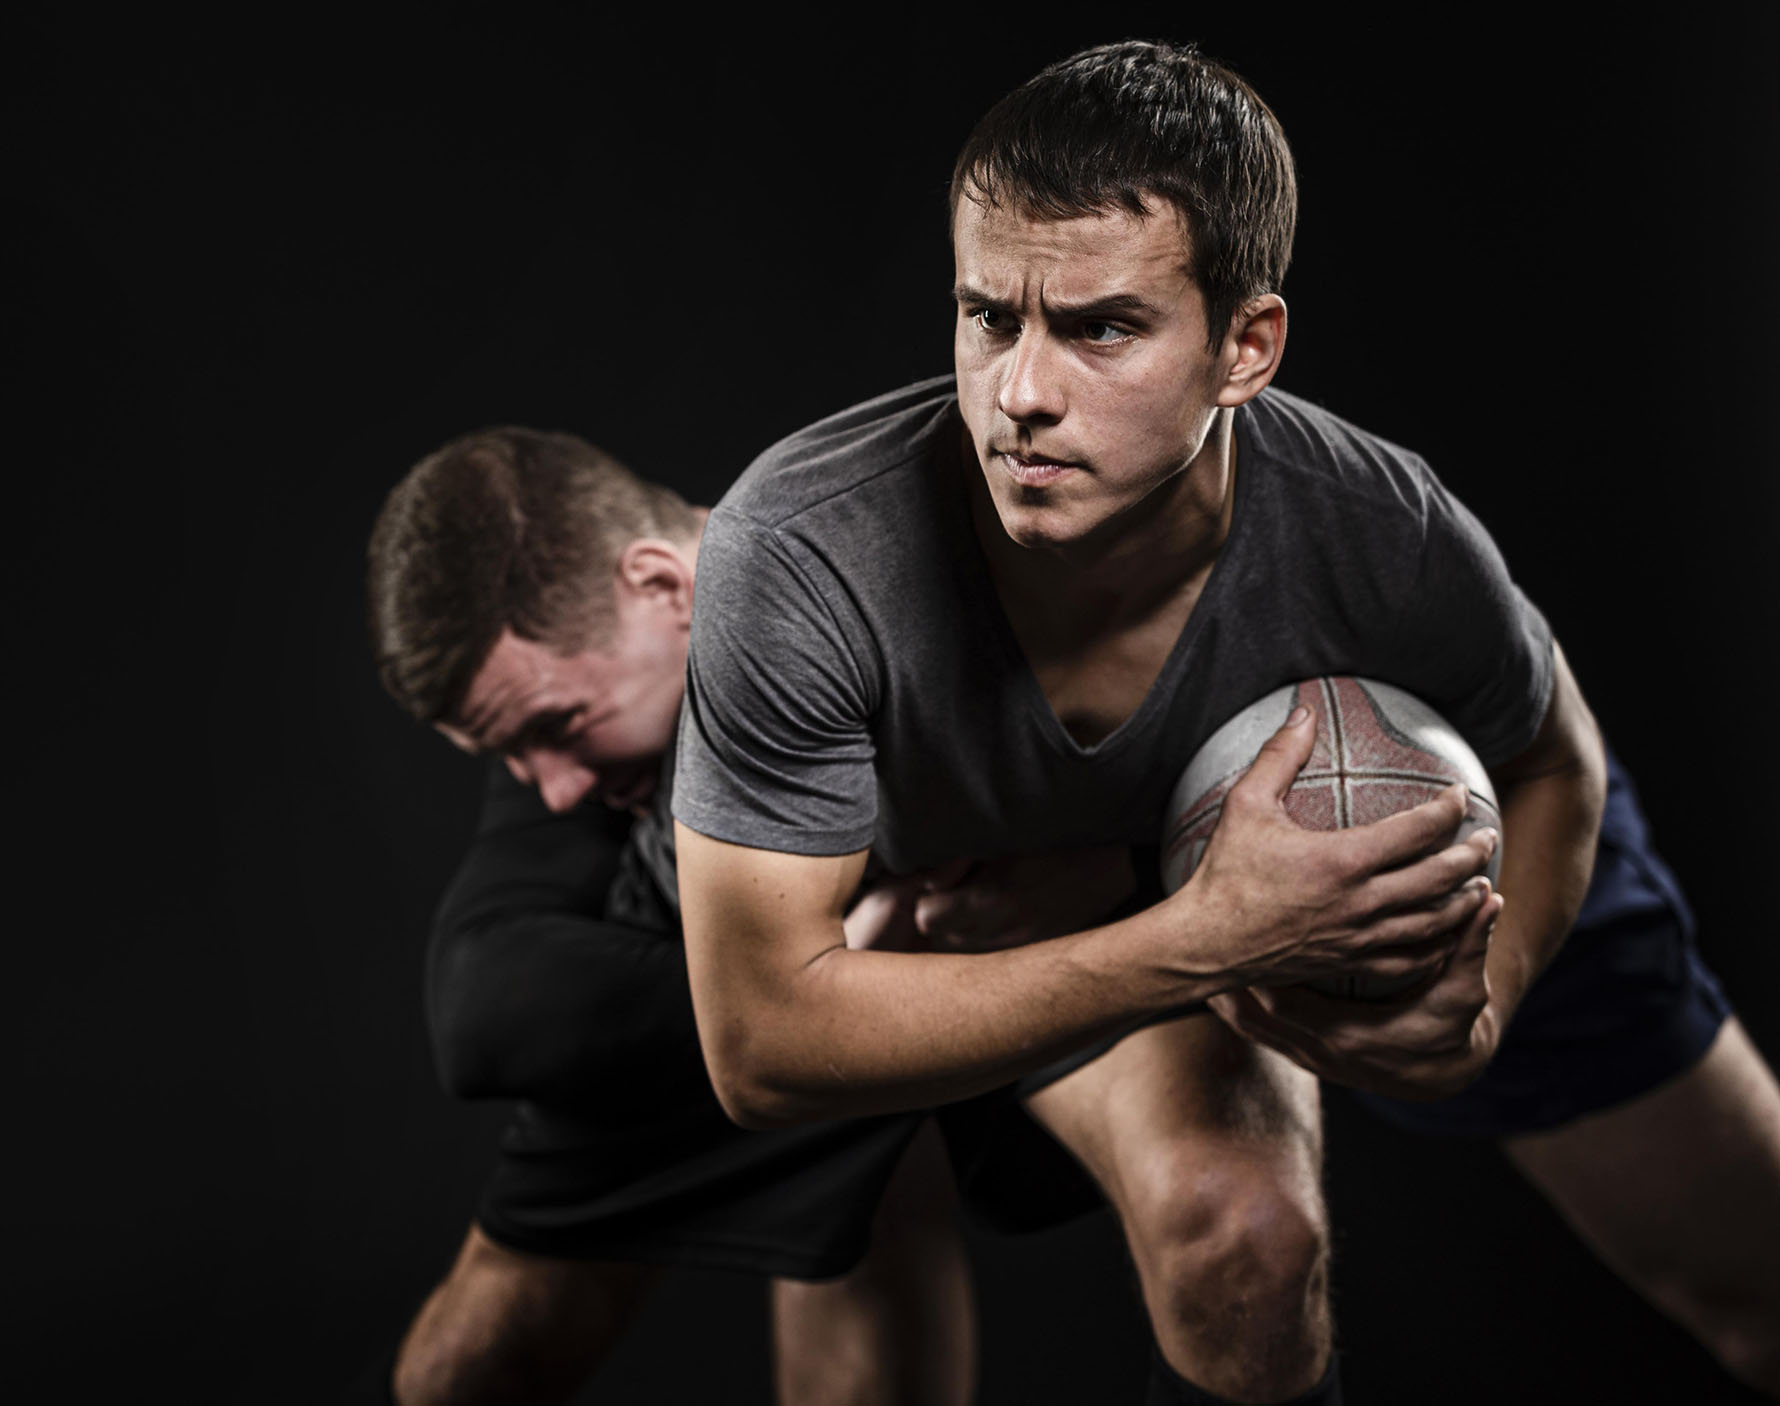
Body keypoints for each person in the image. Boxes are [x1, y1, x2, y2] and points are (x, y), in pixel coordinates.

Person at [671, 39, 1780, 1406]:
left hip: (1411, 845)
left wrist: (1488, 994)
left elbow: (1555, 754)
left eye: (1101, 328)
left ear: (1245, 346)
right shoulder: (808, 550)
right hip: (1054, 898)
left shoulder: (1384, 531)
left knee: (1763, 1277)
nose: (1020, 390)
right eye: (986, 316)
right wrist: (1204, 938)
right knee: (1244, 1245)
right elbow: (759, 1042)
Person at [361, 427, 1121, 1405]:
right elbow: (487, 1004)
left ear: (661, 586)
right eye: (509, 755)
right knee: (479, 1351)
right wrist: (816, 968)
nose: (551, 791)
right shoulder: (582, 718)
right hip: (735, 1050)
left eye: (554, 731)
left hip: (1005, 1006)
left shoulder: (879, 591)